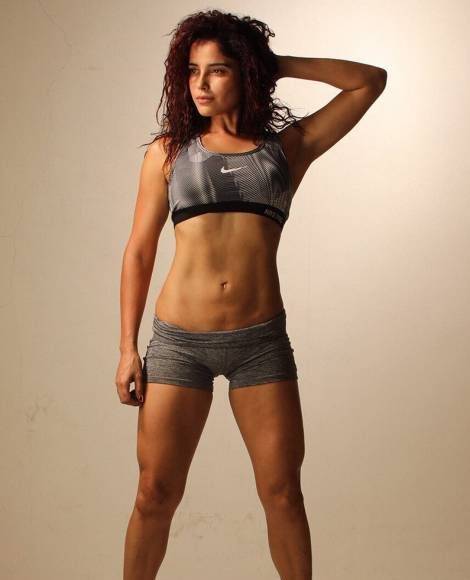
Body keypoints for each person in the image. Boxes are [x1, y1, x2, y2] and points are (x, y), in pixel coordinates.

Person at [116, 9, 387, 580]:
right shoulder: (168, 153)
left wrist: (275, 64)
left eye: (217, 70)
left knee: (283, 493)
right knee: (154, 493)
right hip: (179, 344)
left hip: (260, 344)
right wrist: (127, 348)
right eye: (192, 71)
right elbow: (139, 251)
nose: (200, 84)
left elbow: (369, 81)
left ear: (245, 73)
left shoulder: (287, 150)